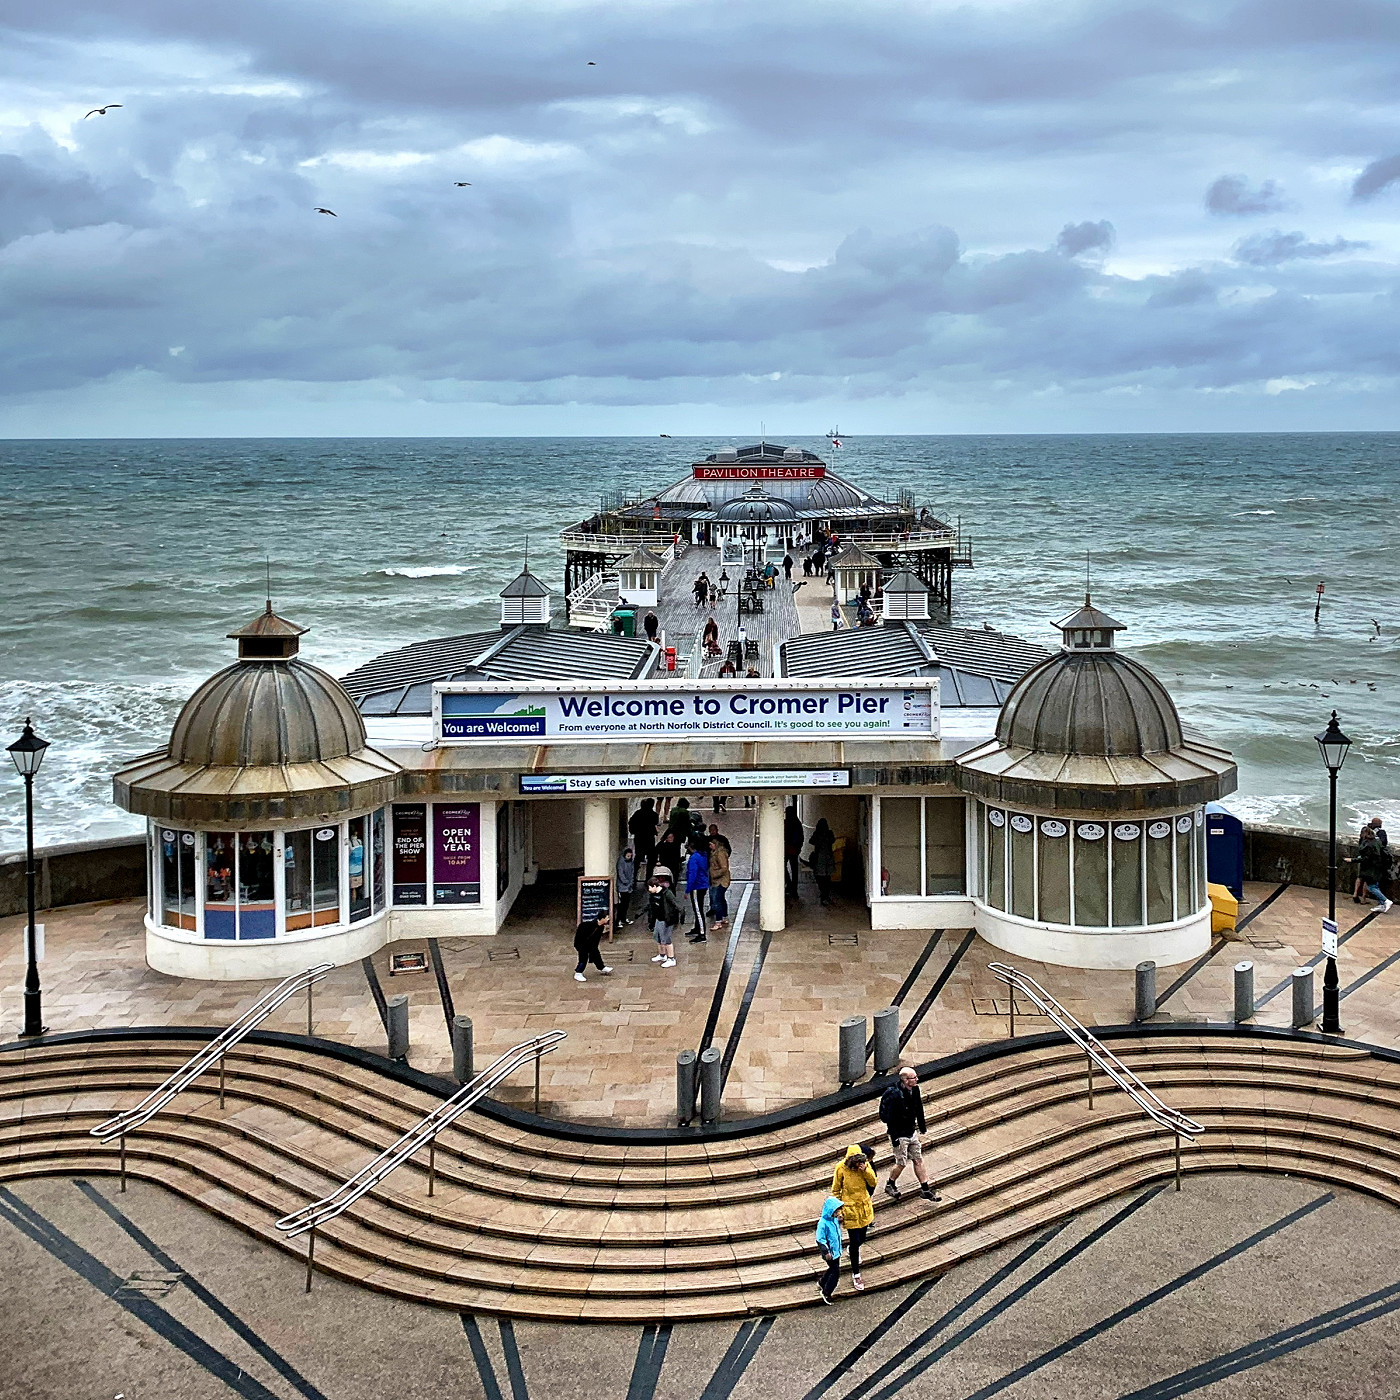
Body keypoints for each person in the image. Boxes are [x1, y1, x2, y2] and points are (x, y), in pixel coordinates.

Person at [879, 1065, 939, 1203]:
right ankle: (890, 1183)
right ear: (906, 1080)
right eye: (914, 1077)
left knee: (918, 1159)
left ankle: (925, 1189)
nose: (917, 1079)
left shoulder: (915, 1090)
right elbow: (887, 1117)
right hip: (899, 1134)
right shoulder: (893, 1094)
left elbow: (919, 1108)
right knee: (901, 1162)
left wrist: (922, 1127)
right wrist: (894, 1137)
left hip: (911, 1131)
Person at [830, 1145, 878, 1292]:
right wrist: (839, 1210)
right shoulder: (841, 1168)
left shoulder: (865, 1166)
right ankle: (856, 1273)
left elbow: (873, 1182)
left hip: (863, 1207)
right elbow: (836, 1189)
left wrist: (866, 1171)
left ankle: (851, 1249)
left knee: (862, 1238)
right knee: (855, 1241)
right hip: (849, 1209)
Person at [646, 870, 681, 967]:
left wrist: (680, 914)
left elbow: (675, 903)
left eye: (649, 887)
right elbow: (650, 906)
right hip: (659, 918)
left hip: (667, 919)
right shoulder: (653, 895)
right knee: (658, 937)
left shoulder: (666, 893)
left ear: (654, 886)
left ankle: (671, 958)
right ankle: (662, 955)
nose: (648, 889)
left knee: (666, 939)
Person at [815, 1196, 844, 1304]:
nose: (838, 1212)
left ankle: (822, 1282)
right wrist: (826, 1252)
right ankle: (827, 1292)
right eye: (836, 1210)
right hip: (830, 1253)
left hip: (836, 1251)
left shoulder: (834, 1220)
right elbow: (820, 1239)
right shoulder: (823, 1223)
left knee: (832, 1269)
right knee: (835, 1273)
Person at [1357, 828, 1393, 913]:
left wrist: (1353, 860)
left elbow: (1367, 858)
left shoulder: (1370, 845)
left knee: (1371, 887)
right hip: (1379, 867)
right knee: (1376, 886)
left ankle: (1386, 901)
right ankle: (1381, 905)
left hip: (1372, 869)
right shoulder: (1377, 841)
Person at [572, 910, 612, 982]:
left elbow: (596, 939)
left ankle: (601, 967)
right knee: (583, 958)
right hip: (581, 944)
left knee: (596, 954)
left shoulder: (601, 927)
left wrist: (593, 948)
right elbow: (580, 936)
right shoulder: (587, 925)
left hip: (591, 944)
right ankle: (578, 973)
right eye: (607, 918)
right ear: (602, 919)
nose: (608, 919)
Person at [685, 839, 711, 942]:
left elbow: (692, 874)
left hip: (697, 886)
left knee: (698, 910)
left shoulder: (694, 858)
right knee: (698, 908)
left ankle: (702, 933)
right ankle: (697, 928)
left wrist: (688, 889)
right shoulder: (704, 855)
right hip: (703, 884)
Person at [809, 818, 836, 906]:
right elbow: (832, 840)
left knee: (820, 877)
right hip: (828, 857)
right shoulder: (829, 833)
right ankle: (825, 895)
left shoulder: (818, 833)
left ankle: (823, 894)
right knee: (827, 877)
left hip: (820, 857)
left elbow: (811, 841)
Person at [709, 828, 732, 931]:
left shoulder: (720, 854)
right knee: (721, 898)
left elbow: (724, 868)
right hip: (721, 880)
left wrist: (714, 874)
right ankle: (724, 917)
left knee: (717, 900)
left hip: (720, 880)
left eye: (711, 845)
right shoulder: (718, 852)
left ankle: (718, 921)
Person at [629, 798, 658, 877]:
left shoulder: (637, 813)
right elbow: (656, 822)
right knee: (651, 859)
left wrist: (634, 831)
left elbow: (631, 823)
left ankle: (634, 876)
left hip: (639, 838)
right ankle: (648, 876)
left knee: (638, 856)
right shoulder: (654, 814)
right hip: (649, 838)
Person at [784, 805, 805, 895]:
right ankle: (794, 889)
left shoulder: (786, 823)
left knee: (782, 867)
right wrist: (799, 848)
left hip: (786, 848)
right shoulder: (797, 823)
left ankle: (789, 884)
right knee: (794, 869)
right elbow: (801, 837)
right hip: (794, 849)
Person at [615, 845, 639, 924]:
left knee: (626, 904)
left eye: (630, 856)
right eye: (628, 856)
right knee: (621, 904)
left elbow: (632, 873)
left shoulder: (631, 862)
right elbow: (620, 873)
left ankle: (624, 918)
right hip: (622, 886)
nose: (629, 857)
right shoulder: (621, 862)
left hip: (628, 886)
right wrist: (626, 882)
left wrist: (631, 882)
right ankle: (619, 920)